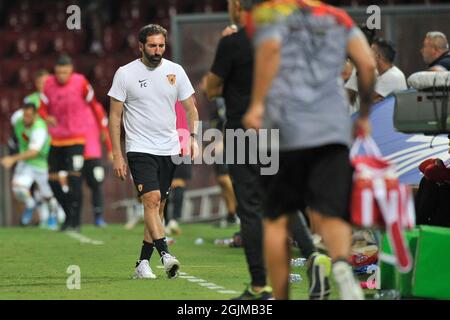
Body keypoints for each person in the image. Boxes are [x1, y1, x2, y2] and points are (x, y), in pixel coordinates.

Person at [243, 0, 376, 300]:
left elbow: (270, 51)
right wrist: (365, 115)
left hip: (285, 129)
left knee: (277, 218)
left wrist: (257, 104)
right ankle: (341, 265)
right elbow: (366, 64)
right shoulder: (339, 18)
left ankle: (280, 297)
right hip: (333, 129)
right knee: (331, 210)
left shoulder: (269, 14)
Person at [206, 0, 330, 300]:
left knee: (249, 209)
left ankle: (261, 285)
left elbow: (211, 88)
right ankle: (314, 255)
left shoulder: (232, 42)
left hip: (241, 131)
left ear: (238, 6)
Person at [108, 24, 199, 280]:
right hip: (139, 148)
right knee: (151, 200)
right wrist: (117, 153)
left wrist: (192, 137)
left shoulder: (176, 71)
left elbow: (192, 110)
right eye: (152, 46)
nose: (157, 50)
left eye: (161, 46)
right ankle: (166, 255)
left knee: (157, 208)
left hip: (169, 148)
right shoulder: (125, 74)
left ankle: (142, 264)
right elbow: (114, 118)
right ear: (140, 46)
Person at [38, 55, 105, 232]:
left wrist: (103, 128)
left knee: (74, 178)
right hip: (57, 139)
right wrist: (47, 117)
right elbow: (42, 107)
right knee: (52, 180)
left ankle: (75, 221)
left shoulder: (81, 82)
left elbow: (95, 104)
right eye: (59, 72)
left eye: (65, 72)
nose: (61, 76)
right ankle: (68, 214)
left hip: (76, 139)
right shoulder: (48, 84)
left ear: (71, 70)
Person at [1, 103, 58, 229]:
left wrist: (12, 158)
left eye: (29, 116)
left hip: (40, 163)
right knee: (18, 189)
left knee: (47, 194)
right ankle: (30, 204)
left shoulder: (40, 128)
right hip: (25, 163)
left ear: (35, 116)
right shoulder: (17, 119)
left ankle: (53, 216)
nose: (26, 119)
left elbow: (33, 152)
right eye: (25, 115)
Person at [82, 100, 113, 227]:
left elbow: (104, 130)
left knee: (97, 185)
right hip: (74, 153)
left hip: (93, 155)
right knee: (74, 186)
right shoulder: (71, 107)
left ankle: (98, 216)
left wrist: (110, 149)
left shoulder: (96, 108)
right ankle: (72, 216)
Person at [370, 38, 407, 103]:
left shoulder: (392, 76)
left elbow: (364, 99)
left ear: (378, 56)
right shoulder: (383, 73)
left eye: (370, 51)